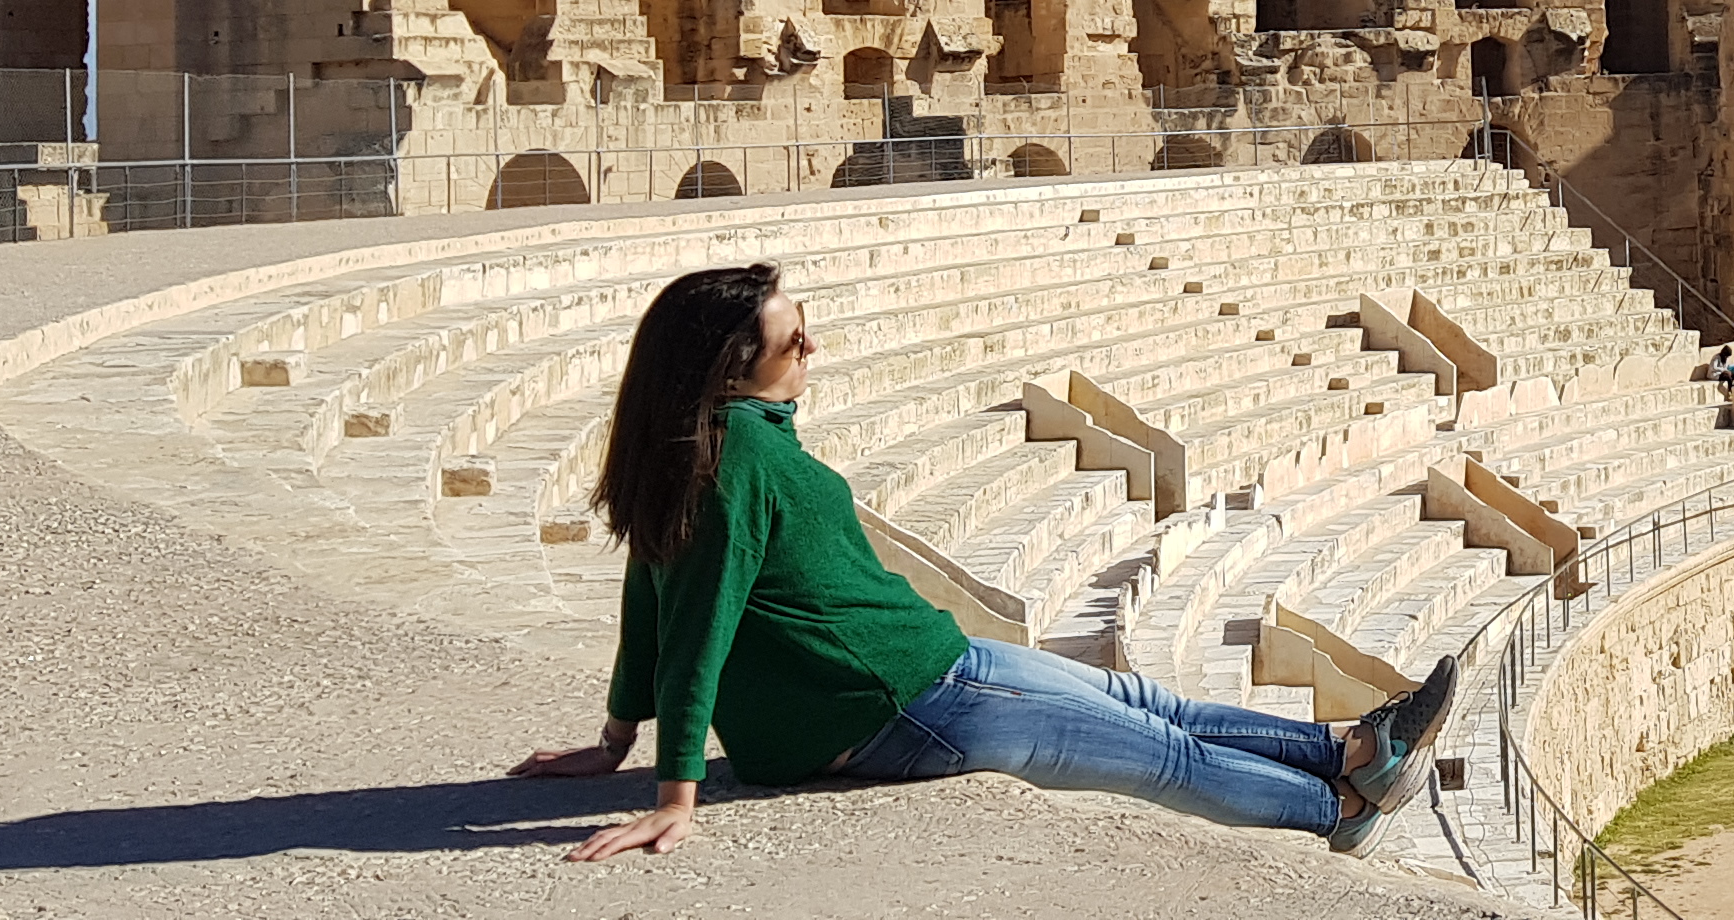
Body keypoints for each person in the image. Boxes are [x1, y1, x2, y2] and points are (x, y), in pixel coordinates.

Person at [509, 262, 1457, 861]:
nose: (812, 347)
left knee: (1148, 703)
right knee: (1160, 756)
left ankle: (1359, 751)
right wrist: (676, 789)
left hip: (923, 662)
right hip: (892, 707)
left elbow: (647, 585)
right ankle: (1336, 812)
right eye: (792, 340)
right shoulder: (738, 460)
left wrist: (615, 734)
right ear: (727, 365)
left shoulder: (718, 440)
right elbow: (694, 620)